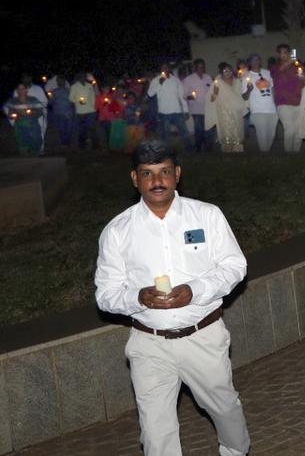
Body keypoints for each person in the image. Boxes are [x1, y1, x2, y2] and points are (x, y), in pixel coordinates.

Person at [94, 140, 251, 456]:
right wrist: (139, 297)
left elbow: (235, 266)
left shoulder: (206, 216)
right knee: (155, 429)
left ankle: (235, 450)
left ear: (177, 174)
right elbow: (106, 295)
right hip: (148, 343)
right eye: (147, 174)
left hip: (203, 335)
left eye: (164, 172)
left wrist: (195, 290)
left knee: (223, 406)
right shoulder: (118, 231)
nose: (157, 181)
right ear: (135, 179)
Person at [206, 63, 251, 153]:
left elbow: (242, 97)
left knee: (238, 136)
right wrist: (215, 93)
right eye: (225, 71)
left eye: (230, 70)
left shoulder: (237, 82)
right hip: (224, 115)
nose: (228, 73)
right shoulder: (217, 83)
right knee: (227, 138)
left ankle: (238, 156)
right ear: (221, 72)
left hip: (237, 114)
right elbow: (210, 100)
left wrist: (249, 90)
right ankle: (227, 156)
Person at [270, 44, 305, 152]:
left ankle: (296, 155)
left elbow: (303, 82)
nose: (285, 55)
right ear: (278, 54)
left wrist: (303, 77)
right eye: (282, 53)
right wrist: (288, 63)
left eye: (287, 52)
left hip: (298, 102)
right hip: (283, 103)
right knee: (289, 130)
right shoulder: (274, 68)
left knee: (298, 131)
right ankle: (288, 155)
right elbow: (277, 73)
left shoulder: (297, 66)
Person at [148, 63, 191, 150]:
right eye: (163, 68)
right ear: (160, 69)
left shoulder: (176, 80)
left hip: (177, 111)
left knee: (184, 131)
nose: (165, 69)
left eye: (166, 67)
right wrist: (160, 83)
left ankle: (189, 149)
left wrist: (186, 110)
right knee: (165, 134)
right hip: (164, 112)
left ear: (169, 69)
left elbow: (181, 95)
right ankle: (165, 151)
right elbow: (150, 94)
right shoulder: (156, 80)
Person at [242, 54, 277, 153]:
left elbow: (272, 89)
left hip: (272, 109)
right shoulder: (246, 76)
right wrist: (249, 90)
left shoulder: (267, 72)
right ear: (249, 63)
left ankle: (266, 152)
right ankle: (264, 155)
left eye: (258, 59)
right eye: (253, 60)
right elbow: (244, 96)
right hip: (258, 110)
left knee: (271, 135)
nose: (256, 62)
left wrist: (276, 104)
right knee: (262, 136)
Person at [5, 82, 46, 155]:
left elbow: (40, 112)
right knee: (23, 147)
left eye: (22, 89)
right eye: (19, 89)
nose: (21, 91)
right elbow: (9, 115)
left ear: (26, 90)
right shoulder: (13, 101)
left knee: (35, 145)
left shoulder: (33, 99)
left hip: (33, 126)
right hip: (20, 126)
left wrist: (31, 112)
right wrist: (15, 115)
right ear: (16, 91)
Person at [182, 59, 214, 152]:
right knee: (199, 131)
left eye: (203, 66)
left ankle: (208, 149)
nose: (201, 68)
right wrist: (190, 97)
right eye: (199, 67)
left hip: (208, 109)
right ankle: (198, 148)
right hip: (197, 110)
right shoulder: (188, 79)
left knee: (209, 130)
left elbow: (212, 90)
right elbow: (184, 95)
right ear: (195, 68)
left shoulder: (208, 77)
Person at [69, 72, 101, 150]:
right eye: (82, 76)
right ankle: (82, 145)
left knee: (92, 128)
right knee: (82, 129)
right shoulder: (74, 86)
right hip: (80, 111)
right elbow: (70, 98)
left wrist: (94, 107)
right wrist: (78, 100)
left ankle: (95, 145)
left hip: (91, 110)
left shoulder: (89, 85)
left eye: (85, 76)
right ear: (78, 77)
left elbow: (93, 96)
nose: (84, 78)